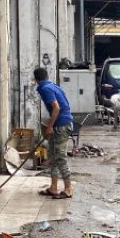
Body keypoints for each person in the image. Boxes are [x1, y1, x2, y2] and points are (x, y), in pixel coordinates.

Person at [34, 67, 74, 199]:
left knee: (60, 157)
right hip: (61, 123)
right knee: (52, 155)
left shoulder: (45, 89)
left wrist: (50, 126)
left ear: (36, 79)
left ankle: (68, 189)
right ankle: (53, 187)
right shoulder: (53, 86)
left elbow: (56, 108)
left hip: (61, 126)